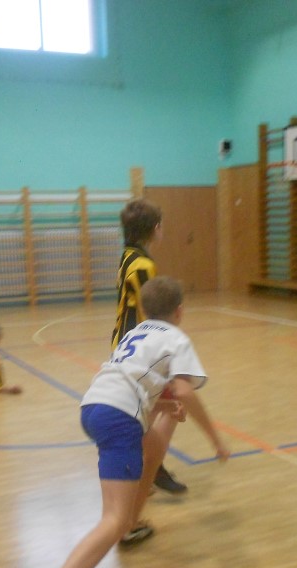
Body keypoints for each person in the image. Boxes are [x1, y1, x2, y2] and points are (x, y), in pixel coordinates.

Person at [18, 276, 229, 568]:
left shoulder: (137, 333)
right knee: (112, 520)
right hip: (119, 418)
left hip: (94, 407)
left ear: (146, 310)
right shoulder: (176, 337)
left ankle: (132, 525)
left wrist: (164, 407)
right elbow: (184, 390)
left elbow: (139, 387)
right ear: (180, 311)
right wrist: (215, 439)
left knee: (149, 450)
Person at [111, 198, 187, 497]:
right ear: (155, 228)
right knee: (163, 406)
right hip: (139, 349)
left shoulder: (127, 255)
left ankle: (147, 467)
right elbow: (151, 311)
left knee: (148, 410)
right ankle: (151, 468)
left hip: (125, 342)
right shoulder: (142, 264)